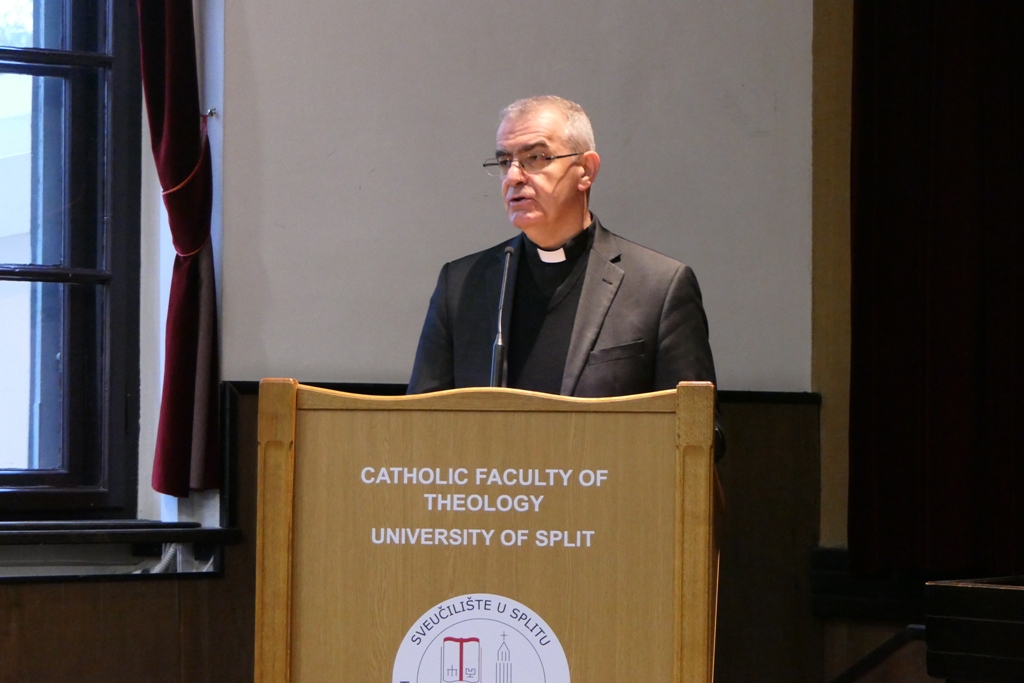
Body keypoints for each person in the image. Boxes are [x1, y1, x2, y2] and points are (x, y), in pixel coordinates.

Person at [408, 95, 723, 454]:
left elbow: (700, 435)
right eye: (505, 161)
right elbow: (418, 424)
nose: (514, 177)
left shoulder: (658, 287)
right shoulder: (462, 284)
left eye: (536, 158)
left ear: (585, 170)